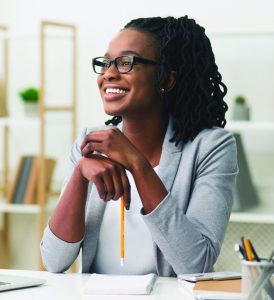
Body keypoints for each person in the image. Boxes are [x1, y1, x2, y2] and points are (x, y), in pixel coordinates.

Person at [40, 16, 238, 277]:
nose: (109, 73)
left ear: (167, 79)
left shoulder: (211, 147)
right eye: (106, 63)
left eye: (126, 62)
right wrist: (79, 175)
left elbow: (196, 265)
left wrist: (137, 164)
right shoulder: (90, 143)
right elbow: (54, 261)